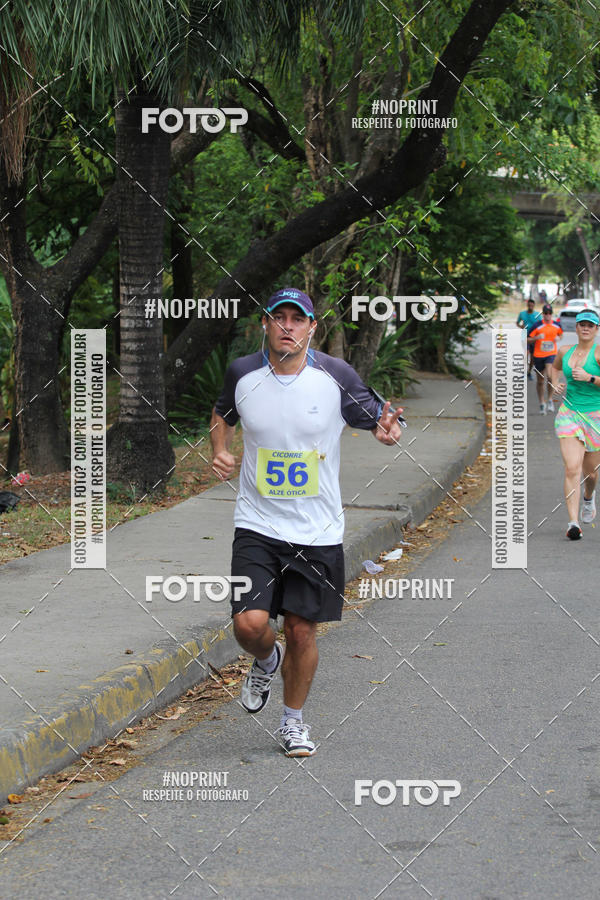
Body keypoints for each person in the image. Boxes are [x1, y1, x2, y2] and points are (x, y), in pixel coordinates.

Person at [210, 288, 404, 757]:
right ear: (265, 323)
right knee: (248, 624)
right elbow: (221, 413)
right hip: (257, 523)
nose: (288, 326)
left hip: (317, 530)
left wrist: (386, 431)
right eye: (279, 317)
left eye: (298, 319)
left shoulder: (335, 375)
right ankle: (266, 659)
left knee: (301, 630)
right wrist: (220, 449)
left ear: (312, 328)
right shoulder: (243, 373)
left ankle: (293, 722)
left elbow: (378, 420)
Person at [551, 309, 600, 540]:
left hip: (596, 417)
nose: (586, 328)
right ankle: (573, 523)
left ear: (596, 329)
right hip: (569, 414)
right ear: (576, 327)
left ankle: (588, 498)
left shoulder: (598, 353)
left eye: (590, 325)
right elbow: (555, 367)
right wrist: (555, 383)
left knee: (591, 474)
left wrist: (591, 378)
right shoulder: (565, 351)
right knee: (572, 468)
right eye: (582, 324)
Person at [528, 304, 562, 413]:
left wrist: (558, 338)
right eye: (546, 313)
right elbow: (527, 339)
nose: (548, 315)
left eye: (549, 313)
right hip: (538, 355)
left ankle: (550, 399)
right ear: (543, 314)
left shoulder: (556, 325)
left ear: (552, 314)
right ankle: (542, 403)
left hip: (551, 354)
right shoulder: (537, 325)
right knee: (540, 381)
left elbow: (561, 334)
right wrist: (537, 338)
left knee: (550, 377)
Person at [516, 298, 542, 379]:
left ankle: (529, 372)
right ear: (527, 305)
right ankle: (523, 372)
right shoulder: (522, 313)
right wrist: (521, 326)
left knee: (533, 358)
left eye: (532, 305)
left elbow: (541, 325)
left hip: (533, 337)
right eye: (529, 305)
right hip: (525, 335)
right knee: (525, 354)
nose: (530, 306)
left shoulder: (537, 314)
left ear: (534, 306)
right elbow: (517, 322)